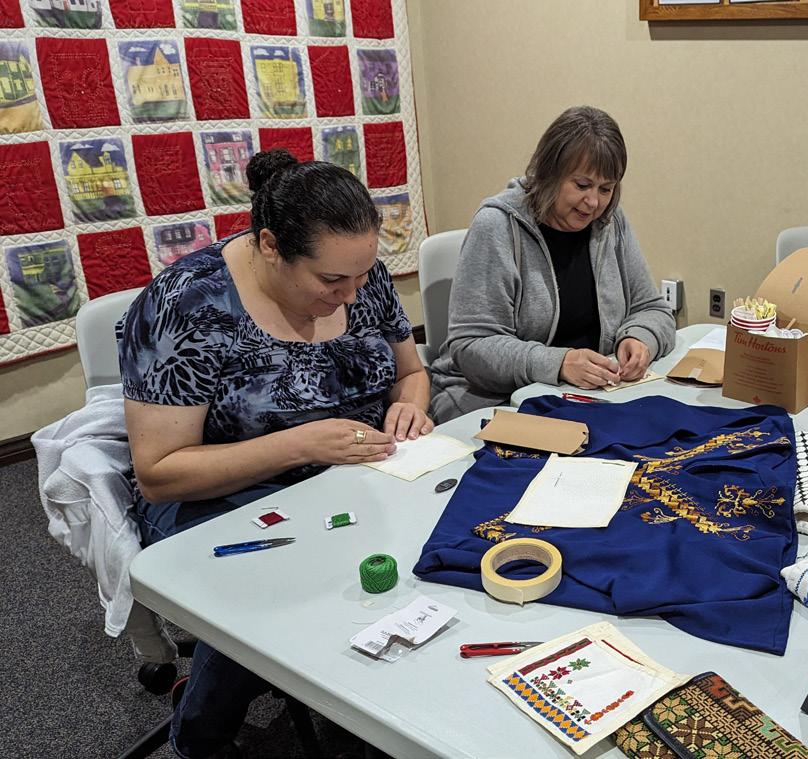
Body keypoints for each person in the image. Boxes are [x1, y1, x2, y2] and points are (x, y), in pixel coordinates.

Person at [118, 149, 432, 757]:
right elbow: (159, 474)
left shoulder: (357, 278)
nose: (350, 296)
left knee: (433, 545)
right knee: (276, 586)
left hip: (350, 470)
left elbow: (411, 373)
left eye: (363, 276)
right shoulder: (188, 304)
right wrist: (299, 444)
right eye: (331, 282)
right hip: (218, 492)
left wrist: (410, 407)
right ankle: (200, 737)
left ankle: (384, 708)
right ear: (269, 246)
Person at [428, 105, 675, 421]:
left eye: (606, 188)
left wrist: (640, 338)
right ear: (548, 173)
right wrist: (558, 363)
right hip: (490, 400)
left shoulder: (610, 222)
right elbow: (471, 347)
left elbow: (653, 309)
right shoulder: (497, 226)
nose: (594, 202)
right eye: (582, 185)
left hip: (580, 398)